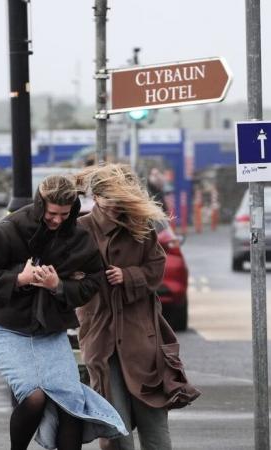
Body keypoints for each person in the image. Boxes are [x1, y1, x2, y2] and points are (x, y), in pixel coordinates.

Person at [0, 174, 127, 450]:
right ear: (41, 204)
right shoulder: (10, 228)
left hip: (50, 330)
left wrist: (59, 286)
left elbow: (94, 282)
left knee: (70, 402)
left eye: (65, 214)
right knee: (34, 396)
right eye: (52, 213)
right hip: (7, 328)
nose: (58, 220)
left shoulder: (78, 237)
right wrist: (20, 278)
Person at [75, 164, 201, 450]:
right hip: (100, 335)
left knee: (153, 421)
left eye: (120, 200)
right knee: (114, 424)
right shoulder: (80, 230)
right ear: (96, 197)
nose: (114, 207)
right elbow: (69, 277)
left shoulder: (139, 227)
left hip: (140, 336)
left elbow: (157, 268)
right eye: (109, 199)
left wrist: (128, 275)